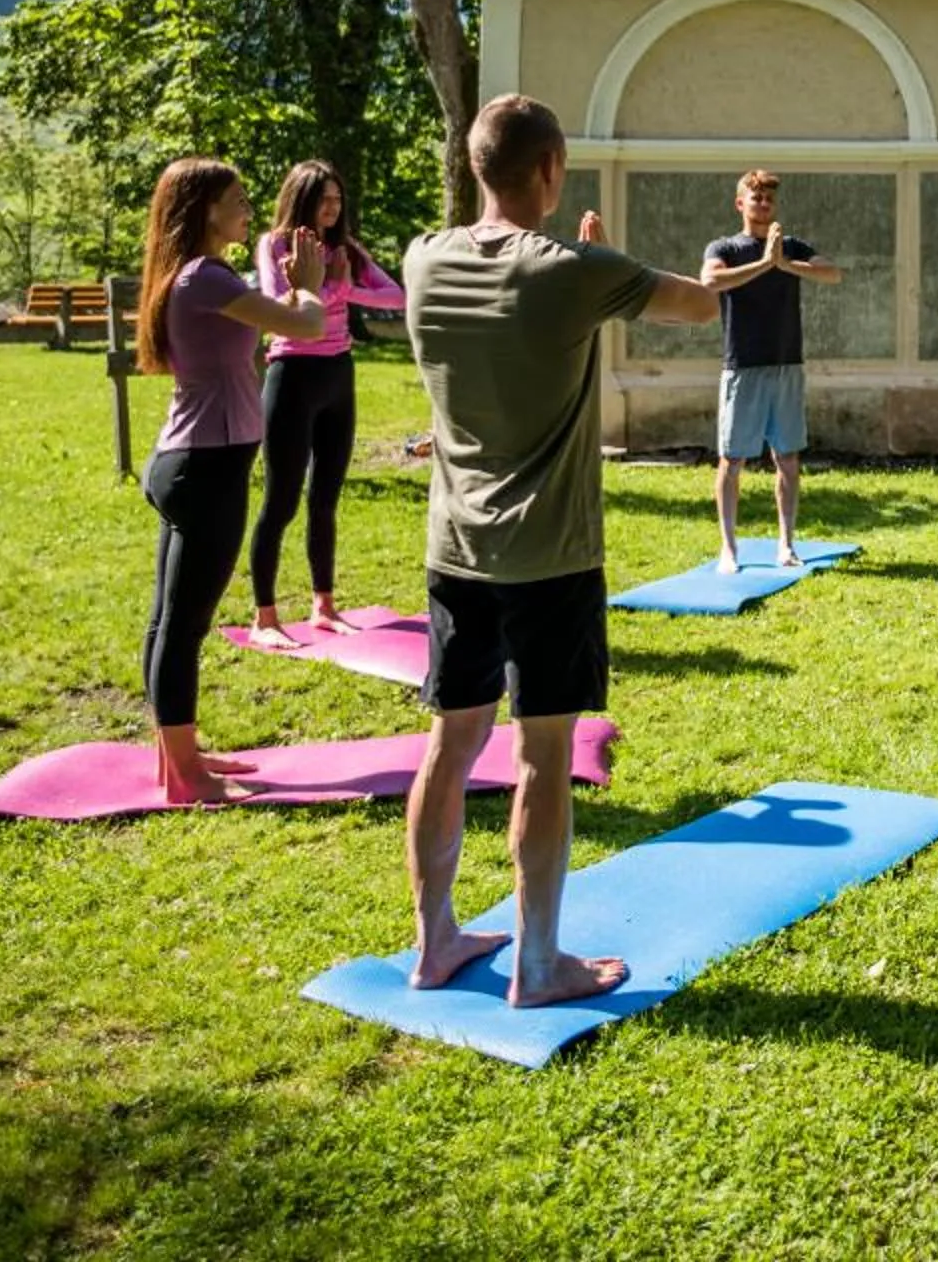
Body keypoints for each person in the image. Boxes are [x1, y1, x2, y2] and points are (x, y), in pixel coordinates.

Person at [400, 93, 716, 1005]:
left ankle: (434, 945)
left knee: (451, 743)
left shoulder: (424, 259)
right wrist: (599, 259)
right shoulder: (576, 270)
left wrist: (587, 265)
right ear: (550, 171)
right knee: (542, 755)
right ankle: (538, 965)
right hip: (550, 559)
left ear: (472, 167)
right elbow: (697, 306)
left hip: (455, 551)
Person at [132, 157, 330, 802]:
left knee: (169, 623)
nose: (249, 209)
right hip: (205, 468)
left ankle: (177, 757)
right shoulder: (205, 277)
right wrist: (308, 283)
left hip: (193, 462)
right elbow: (304, 325)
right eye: (238, 200)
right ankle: (186, 776)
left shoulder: (194, 276)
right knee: (182, 627)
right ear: (205, 211)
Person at [244, 159, 406, 648]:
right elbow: (278, 301)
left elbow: (396, 296)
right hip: (292, 375)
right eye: (324, 199)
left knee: (326, 498)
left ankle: (324, 606)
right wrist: (325, 288)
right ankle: (265, 616)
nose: (333, 208)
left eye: (338, 199)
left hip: (339, 375)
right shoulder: (274, 245)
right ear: (302, 198)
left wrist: (342, 285)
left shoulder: (345, 249)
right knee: (281, 499)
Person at [701, 169, 844, 570]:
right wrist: (765, 265)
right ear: (740, 203)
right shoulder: (725, 246)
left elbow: (832, 273)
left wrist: (784, 263)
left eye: (769, 199)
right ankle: (728, 548)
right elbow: (709, 280)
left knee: (788, 459)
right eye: (756, 197)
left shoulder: (791, 246)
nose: (763, 204)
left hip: (786, 365)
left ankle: (786, 544)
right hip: (742, 365)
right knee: (732, 461)